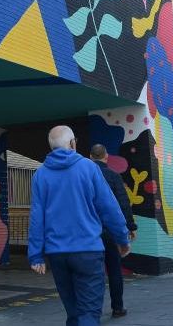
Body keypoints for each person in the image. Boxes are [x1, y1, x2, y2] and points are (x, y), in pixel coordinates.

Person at [29, 126, 130, 326]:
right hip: (88, 251)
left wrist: (36, 255)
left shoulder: (40, 175)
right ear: (72, 143)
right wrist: (122, 238)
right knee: (89, 314)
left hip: (57, 255)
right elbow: (108, 207)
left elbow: (37, 217)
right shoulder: (88, 168)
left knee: (74, 313)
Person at [89, 144, 136, 319]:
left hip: (90, 231)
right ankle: (118, 307)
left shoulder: (85, 176)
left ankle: (93, 310)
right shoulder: (114, 176)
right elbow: (123, 203)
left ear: (91, 156)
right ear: (106, 156)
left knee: (94, 272)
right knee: (114, 269)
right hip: (110, 232)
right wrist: (130, 226)